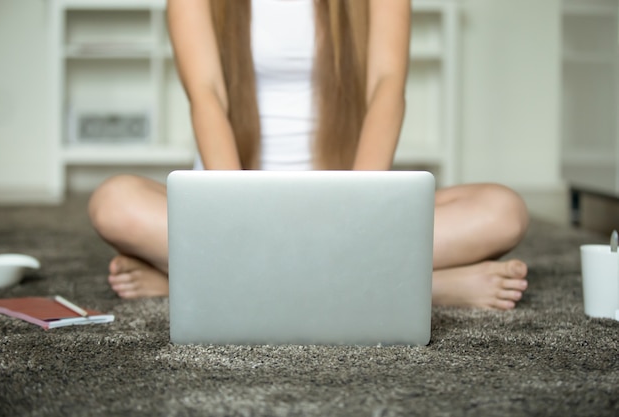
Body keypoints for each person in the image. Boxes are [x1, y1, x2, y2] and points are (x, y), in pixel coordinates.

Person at [88, 0, 529, 310]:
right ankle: (423, 289)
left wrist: (359, 212)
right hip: (237, 202)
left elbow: (387, 87)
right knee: (114, 201)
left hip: (343, 206)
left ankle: (193, 282)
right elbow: (206, 96)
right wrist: (236, 217)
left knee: (502, 210)